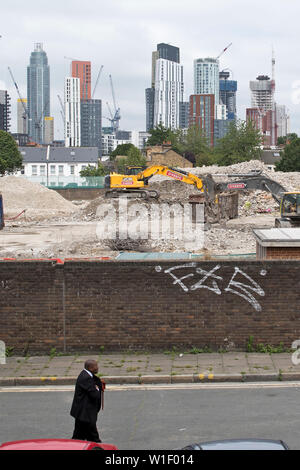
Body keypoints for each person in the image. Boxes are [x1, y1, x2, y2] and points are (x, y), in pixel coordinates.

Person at [70, 359, 105, 443]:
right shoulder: (86, 378)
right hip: (85, 413)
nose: (97, 368)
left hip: (82, 414)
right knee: (93, 437)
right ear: (90, 368)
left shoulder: (86, 375)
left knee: (78, 437)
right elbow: (95, 394)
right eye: (96, 366)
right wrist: (97, 388)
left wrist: (98, 385)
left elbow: (95, 382)